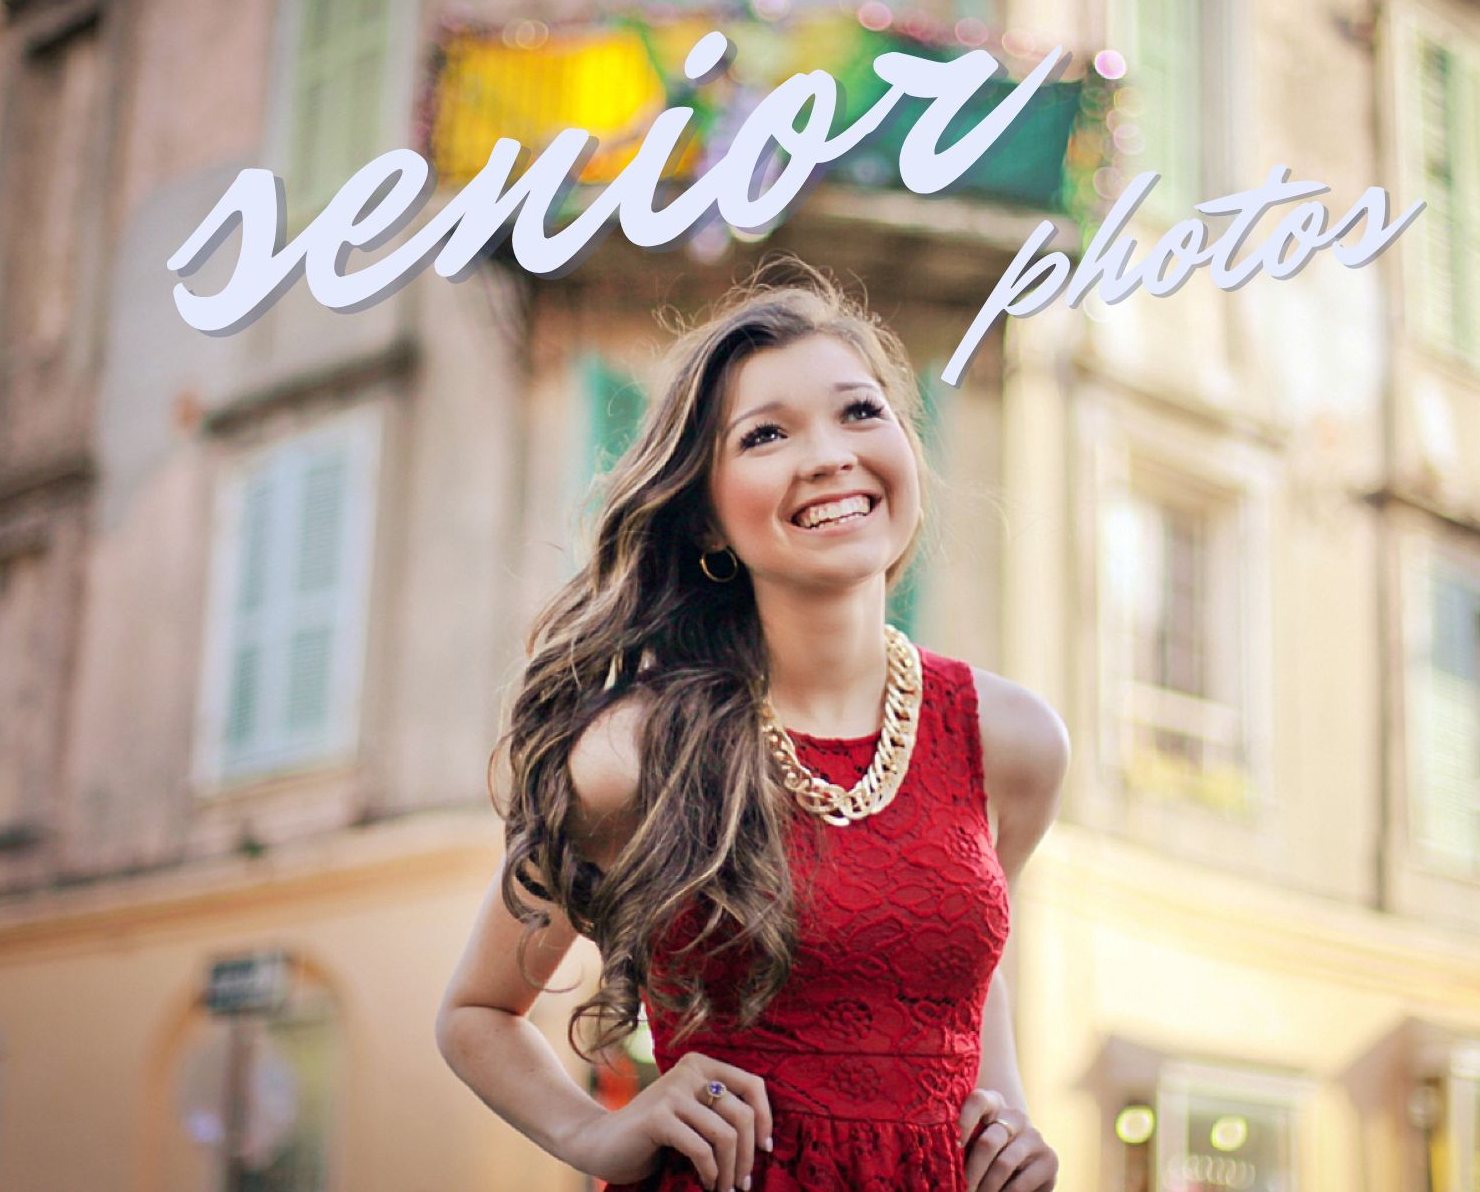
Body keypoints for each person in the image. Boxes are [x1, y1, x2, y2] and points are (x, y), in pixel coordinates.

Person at [434, 259, 1069, 1192]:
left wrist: (1008, 1119)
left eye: (861, 412)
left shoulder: (1012, 738)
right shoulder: (638, 750)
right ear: (707, 518)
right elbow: (477, 1011)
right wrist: (594, 1133)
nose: (829, 455)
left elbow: (973, 969)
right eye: (768, 434)